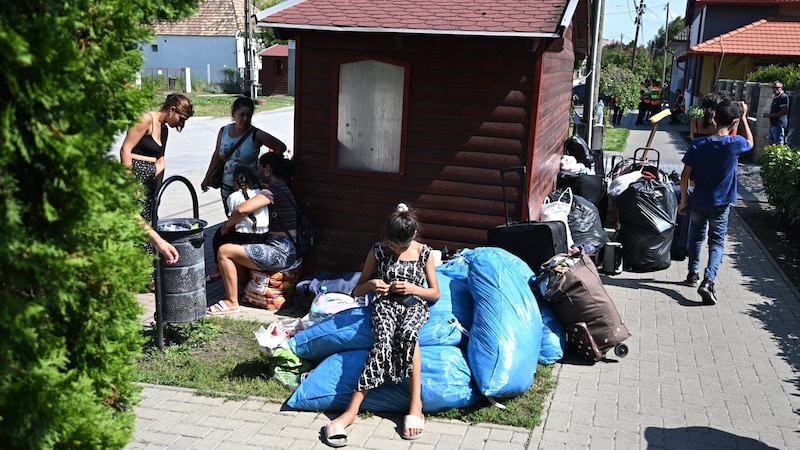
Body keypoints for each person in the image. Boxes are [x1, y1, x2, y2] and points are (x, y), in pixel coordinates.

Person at [321, 203, 440, 448]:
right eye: (394, 247)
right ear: (387, 239)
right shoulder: (377, 251)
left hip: (414, 304)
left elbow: (434, 293)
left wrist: (412, 288)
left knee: (408, 335)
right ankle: (351, 410)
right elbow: (357, 289)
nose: (397, 252)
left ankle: (415, 404)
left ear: (414, 235)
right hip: (384, 305)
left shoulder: (425, 253)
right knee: (383, 342)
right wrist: (374, 284)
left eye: (402, 247)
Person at [679, 99, 753, 305]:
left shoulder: (697, 145)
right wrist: (744, 118)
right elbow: (750, 143)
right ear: (734, 122)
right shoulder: (735, 144)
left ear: (713, 117)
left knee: (695, 238)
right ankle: (708, 280)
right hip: (721, 204)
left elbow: (684, 176)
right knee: (717, 243)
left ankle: (692, 274)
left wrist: (683, 200)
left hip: (698, 199)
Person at [207, 152, 298, 315]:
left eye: (259, 168)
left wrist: (227, 225)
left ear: (267, 169)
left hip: (280, 252)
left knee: (224, 251)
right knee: (238, 249)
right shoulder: (284, 187)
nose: (258, 171)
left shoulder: (272, 192)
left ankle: (231, 301)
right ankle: (241, 290)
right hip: (286, 248)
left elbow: (242, 209)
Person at [201, 96, 288, 215]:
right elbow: (217, 156)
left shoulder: (255, 134)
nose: (245, 119)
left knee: (249, 222)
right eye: (242, 115)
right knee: (231, 219)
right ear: (233, 114)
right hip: (227, 185)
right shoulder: (224, 131)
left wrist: (266, 167)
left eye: (249, 115)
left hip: (250, 188)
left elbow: (280, 147)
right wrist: (207, 177)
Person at [120, 93, 195, 225]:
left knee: (150, 223)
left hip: (150, 182)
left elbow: (160, 160)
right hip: (136, 177)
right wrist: (131, 184)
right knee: (135, 222)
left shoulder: (164, 129)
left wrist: (158, 190)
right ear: (172, 109)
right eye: (181, 118)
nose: (181, 123)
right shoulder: (145, 119)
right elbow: (125, 150)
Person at [205, 165, 270, 282]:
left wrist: (226, 225)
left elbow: (234, 220)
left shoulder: (233, 197)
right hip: (263, 235)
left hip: (243, 237)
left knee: (219, 237)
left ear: (235, 183)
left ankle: (220, 270)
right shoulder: (261, 193)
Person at [762, 80, 789, 145]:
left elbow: (784, 111)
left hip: (779, 124)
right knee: (770, 143)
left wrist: (770, 115)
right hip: (773, 124)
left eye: (776, 88)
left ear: (781, 88)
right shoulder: (776, 97)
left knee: (779, 144)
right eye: (773, 88)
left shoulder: (783, 97)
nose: (774, 90)